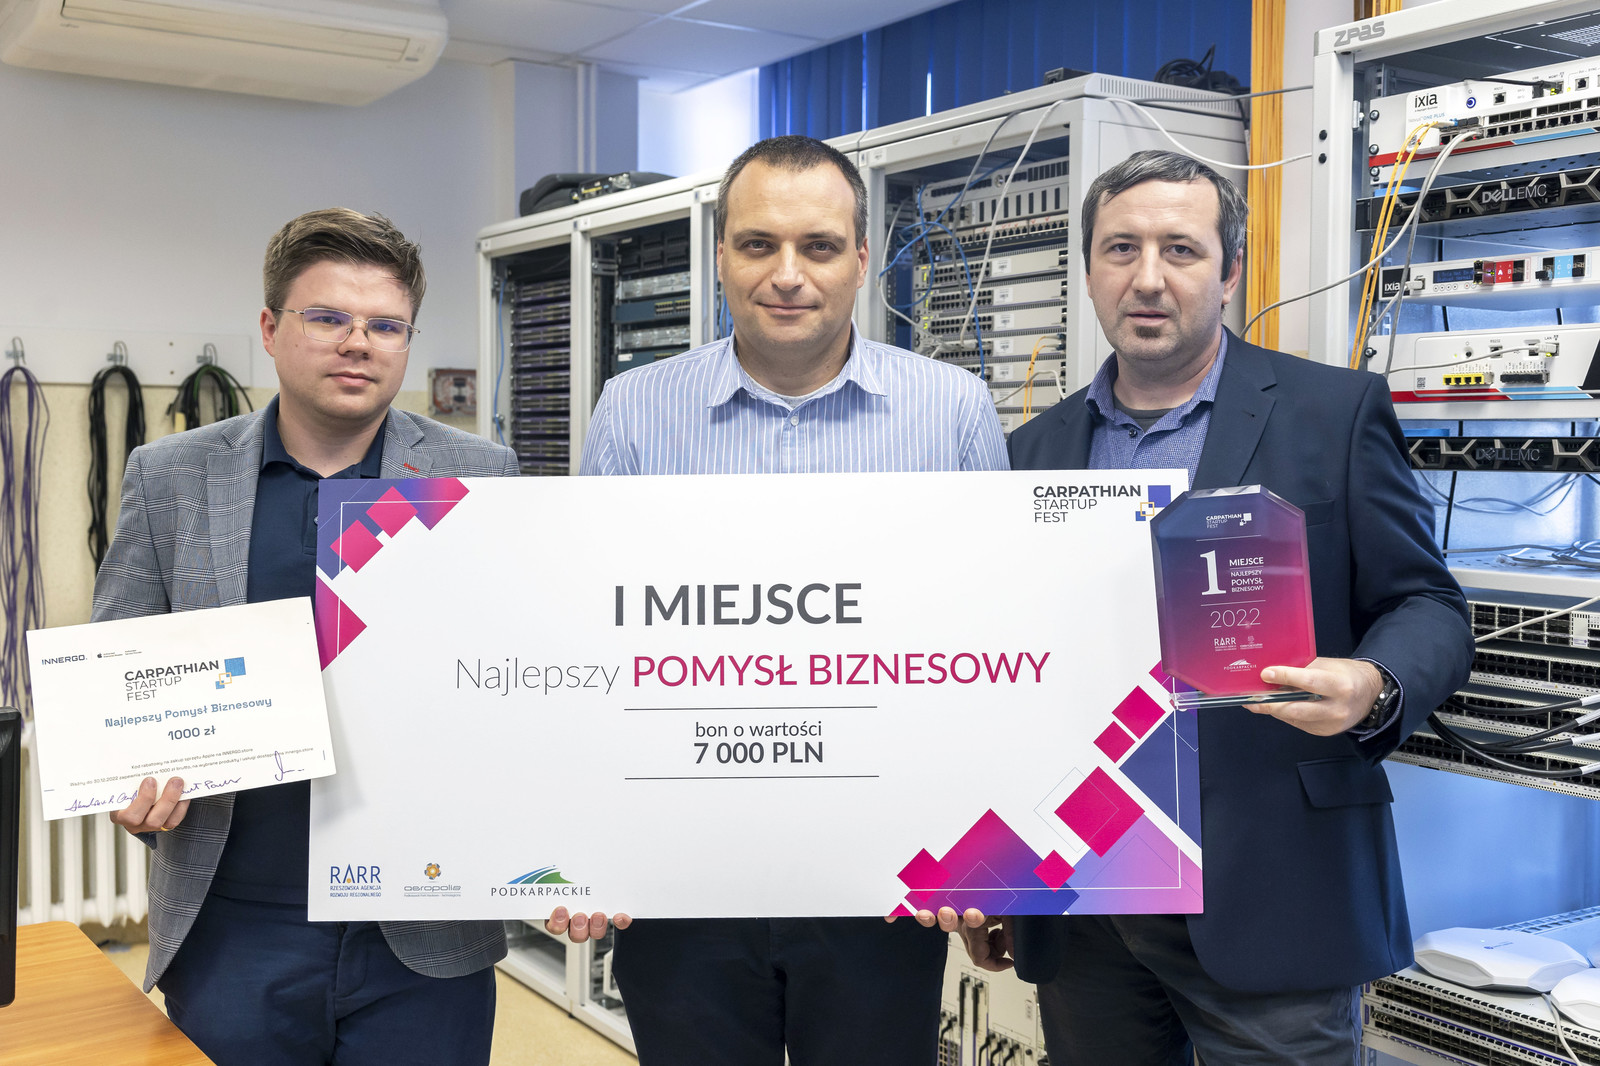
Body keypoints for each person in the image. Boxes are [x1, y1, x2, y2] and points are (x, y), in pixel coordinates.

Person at [954, 150, 1475, 1064]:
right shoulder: (1031, 451)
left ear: (1230, 272)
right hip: (1089, 898)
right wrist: (991, 869)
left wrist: (1373, 681)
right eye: (1121, 248)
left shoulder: (1332, 413)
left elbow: (1427, 601)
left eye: (1181, 250)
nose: (1148, 278)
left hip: (1277, 885)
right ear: (1089, 270)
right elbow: (1004, 671)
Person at [546, 134, 1008, 1065]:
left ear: (862, 258)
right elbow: (590, 644)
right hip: (682, 878)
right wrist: (581, 843)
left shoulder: (952, 408)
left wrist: (992, 855)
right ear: (720, 255)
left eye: (819, 246)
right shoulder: (633, 410)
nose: (788, 275)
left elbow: (994, 640)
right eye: (758, 244)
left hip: (882, 878)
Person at [95, 208, 517, 1066]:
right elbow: (119, 670)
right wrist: (122, 776)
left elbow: (522, 680)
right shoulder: (171, 475)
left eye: (385, 326)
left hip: (423, 922)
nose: (358, 343)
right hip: (236, 923)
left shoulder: (480, 475)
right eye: (327, 318)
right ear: (270, 329)